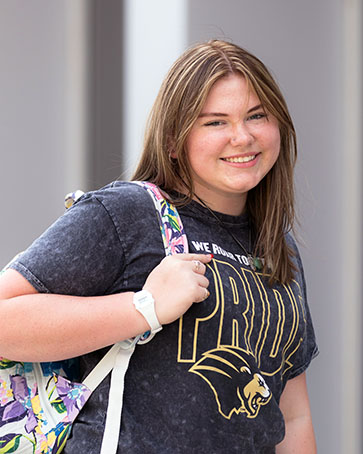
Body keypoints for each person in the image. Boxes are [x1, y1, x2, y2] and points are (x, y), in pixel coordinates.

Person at [0, 40, 318, 453]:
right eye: (215, 122)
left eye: (257, 116)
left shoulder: (279, 248)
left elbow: (292, 416)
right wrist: (144, 307)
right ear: (174, 140)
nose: (242, 137)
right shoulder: (129, 214)